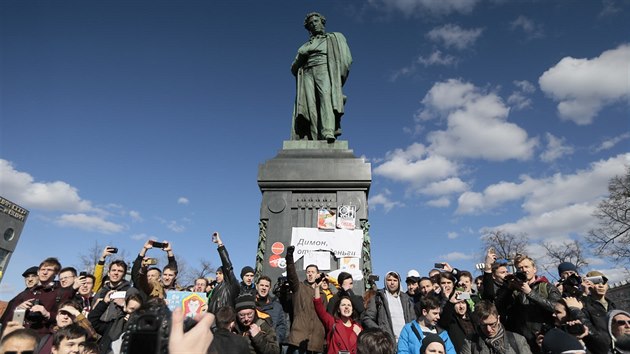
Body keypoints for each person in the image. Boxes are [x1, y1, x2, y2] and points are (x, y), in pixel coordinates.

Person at [291, 12, 352, 143]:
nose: (314, 24)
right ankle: (313, 136)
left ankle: (328, 131)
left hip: (324, 69)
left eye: (316, 21)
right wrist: (301, 56)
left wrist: (338, 78)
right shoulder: (304, 46)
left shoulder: (334, 38)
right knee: (310, 106)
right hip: (307, 72)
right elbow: (293, 68)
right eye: (311, 24)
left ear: (322, 22)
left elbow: (347, 59)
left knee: (326, 98)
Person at [494, 254, 561, 352]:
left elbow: (557, 308)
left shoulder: (547, 287)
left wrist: (530, 293)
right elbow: (498, 308)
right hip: (522, 342)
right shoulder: (515, 290)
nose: (524, 270)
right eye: (520, 268)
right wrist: (509, 289)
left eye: (527, 267)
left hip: (544, 337)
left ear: (534, 269)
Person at [285, 245, 327, 354]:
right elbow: (291, 275)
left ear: (317, 274)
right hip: (298, 340)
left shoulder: (322, 295)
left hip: (316, 343)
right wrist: (289, 258)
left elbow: (325, 316)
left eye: (313, 272)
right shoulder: (299, 288)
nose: (310, 274)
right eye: (308, 272)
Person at [313, 277, 362, 354]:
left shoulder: (358, 327)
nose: (346, 307)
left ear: (352, 310)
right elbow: (319, 308)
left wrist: (360, 335)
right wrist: (316, 288)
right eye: (343, 305)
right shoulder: (332, 322)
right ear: (338, 309)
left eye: (349, 305)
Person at [362, 271, 414, 343]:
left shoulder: (406, 299)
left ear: (399, 282)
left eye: (395, 280)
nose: (392, 283)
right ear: (385, 281)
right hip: (387, 342)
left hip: (406, 341)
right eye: (389, 280)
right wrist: (380, 332)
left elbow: (413, 319)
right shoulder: (378, 297)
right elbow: (368, 319)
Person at [461, 301, 531, 354]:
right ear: (479, 322)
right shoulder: (470, 342)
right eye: (484, 325)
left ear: (498, 319)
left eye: (492, 324)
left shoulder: (517, 340)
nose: (489, 329)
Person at [207, 232, 240, 314]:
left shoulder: (230, 285)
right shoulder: (215, 289)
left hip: (225, 321)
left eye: (220, 273)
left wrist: (220, 244)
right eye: (216, 273)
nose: (217, 276)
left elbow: (227, 265)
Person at [255, 275, 287, 347]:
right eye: (261, 285)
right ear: (257, 286)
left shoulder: (277, 307)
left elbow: (282, 326)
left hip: (270, 346)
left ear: (270, 288)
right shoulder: (250, 304)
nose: (264, 288)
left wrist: (275, 340)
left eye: (266, 286)